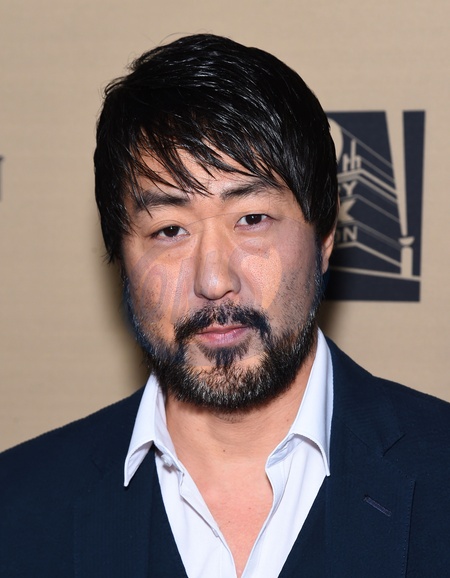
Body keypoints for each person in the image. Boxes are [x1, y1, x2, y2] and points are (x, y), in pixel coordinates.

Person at [1, 33, 449, 578]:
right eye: (169, 230)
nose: (214, 281)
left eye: (252, 219)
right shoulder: (17, 508)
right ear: (120, 255)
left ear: (325, 235)